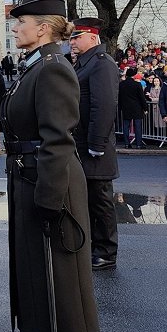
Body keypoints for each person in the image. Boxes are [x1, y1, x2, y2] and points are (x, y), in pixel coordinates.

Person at [1, 0, 101, 332]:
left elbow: (57, 139)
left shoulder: (53, 68)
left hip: (50, 182)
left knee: (62, 281)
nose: (14, 27)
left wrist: (48, 198)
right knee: (42, 277)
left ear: (43, 27)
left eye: (20, 21)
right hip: (33, 177)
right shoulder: (35, 67)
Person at [68, 18, 121, 271]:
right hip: (81, 143)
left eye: (77, 37)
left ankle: (106, 251)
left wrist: (97, 143)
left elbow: (104, 105)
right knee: (88, 199)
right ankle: (93, 247)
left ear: (92, 38)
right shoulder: (84, 65)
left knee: (100, 200)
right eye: (71, 37)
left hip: (93, 145)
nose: (72, 41)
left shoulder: (101, 64)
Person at [119, 67, 147, 148]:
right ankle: (139, 144)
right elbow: (141, 97)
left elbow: (119, 97)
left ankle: (127, 144)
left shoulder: (121, 84)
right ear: (134, 75)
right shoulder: (137, 84)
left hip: (125, 107)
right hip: (136, 107)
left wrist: (120, 107)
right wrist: (145, 108)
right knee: (137, 126)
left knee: (126, 126)